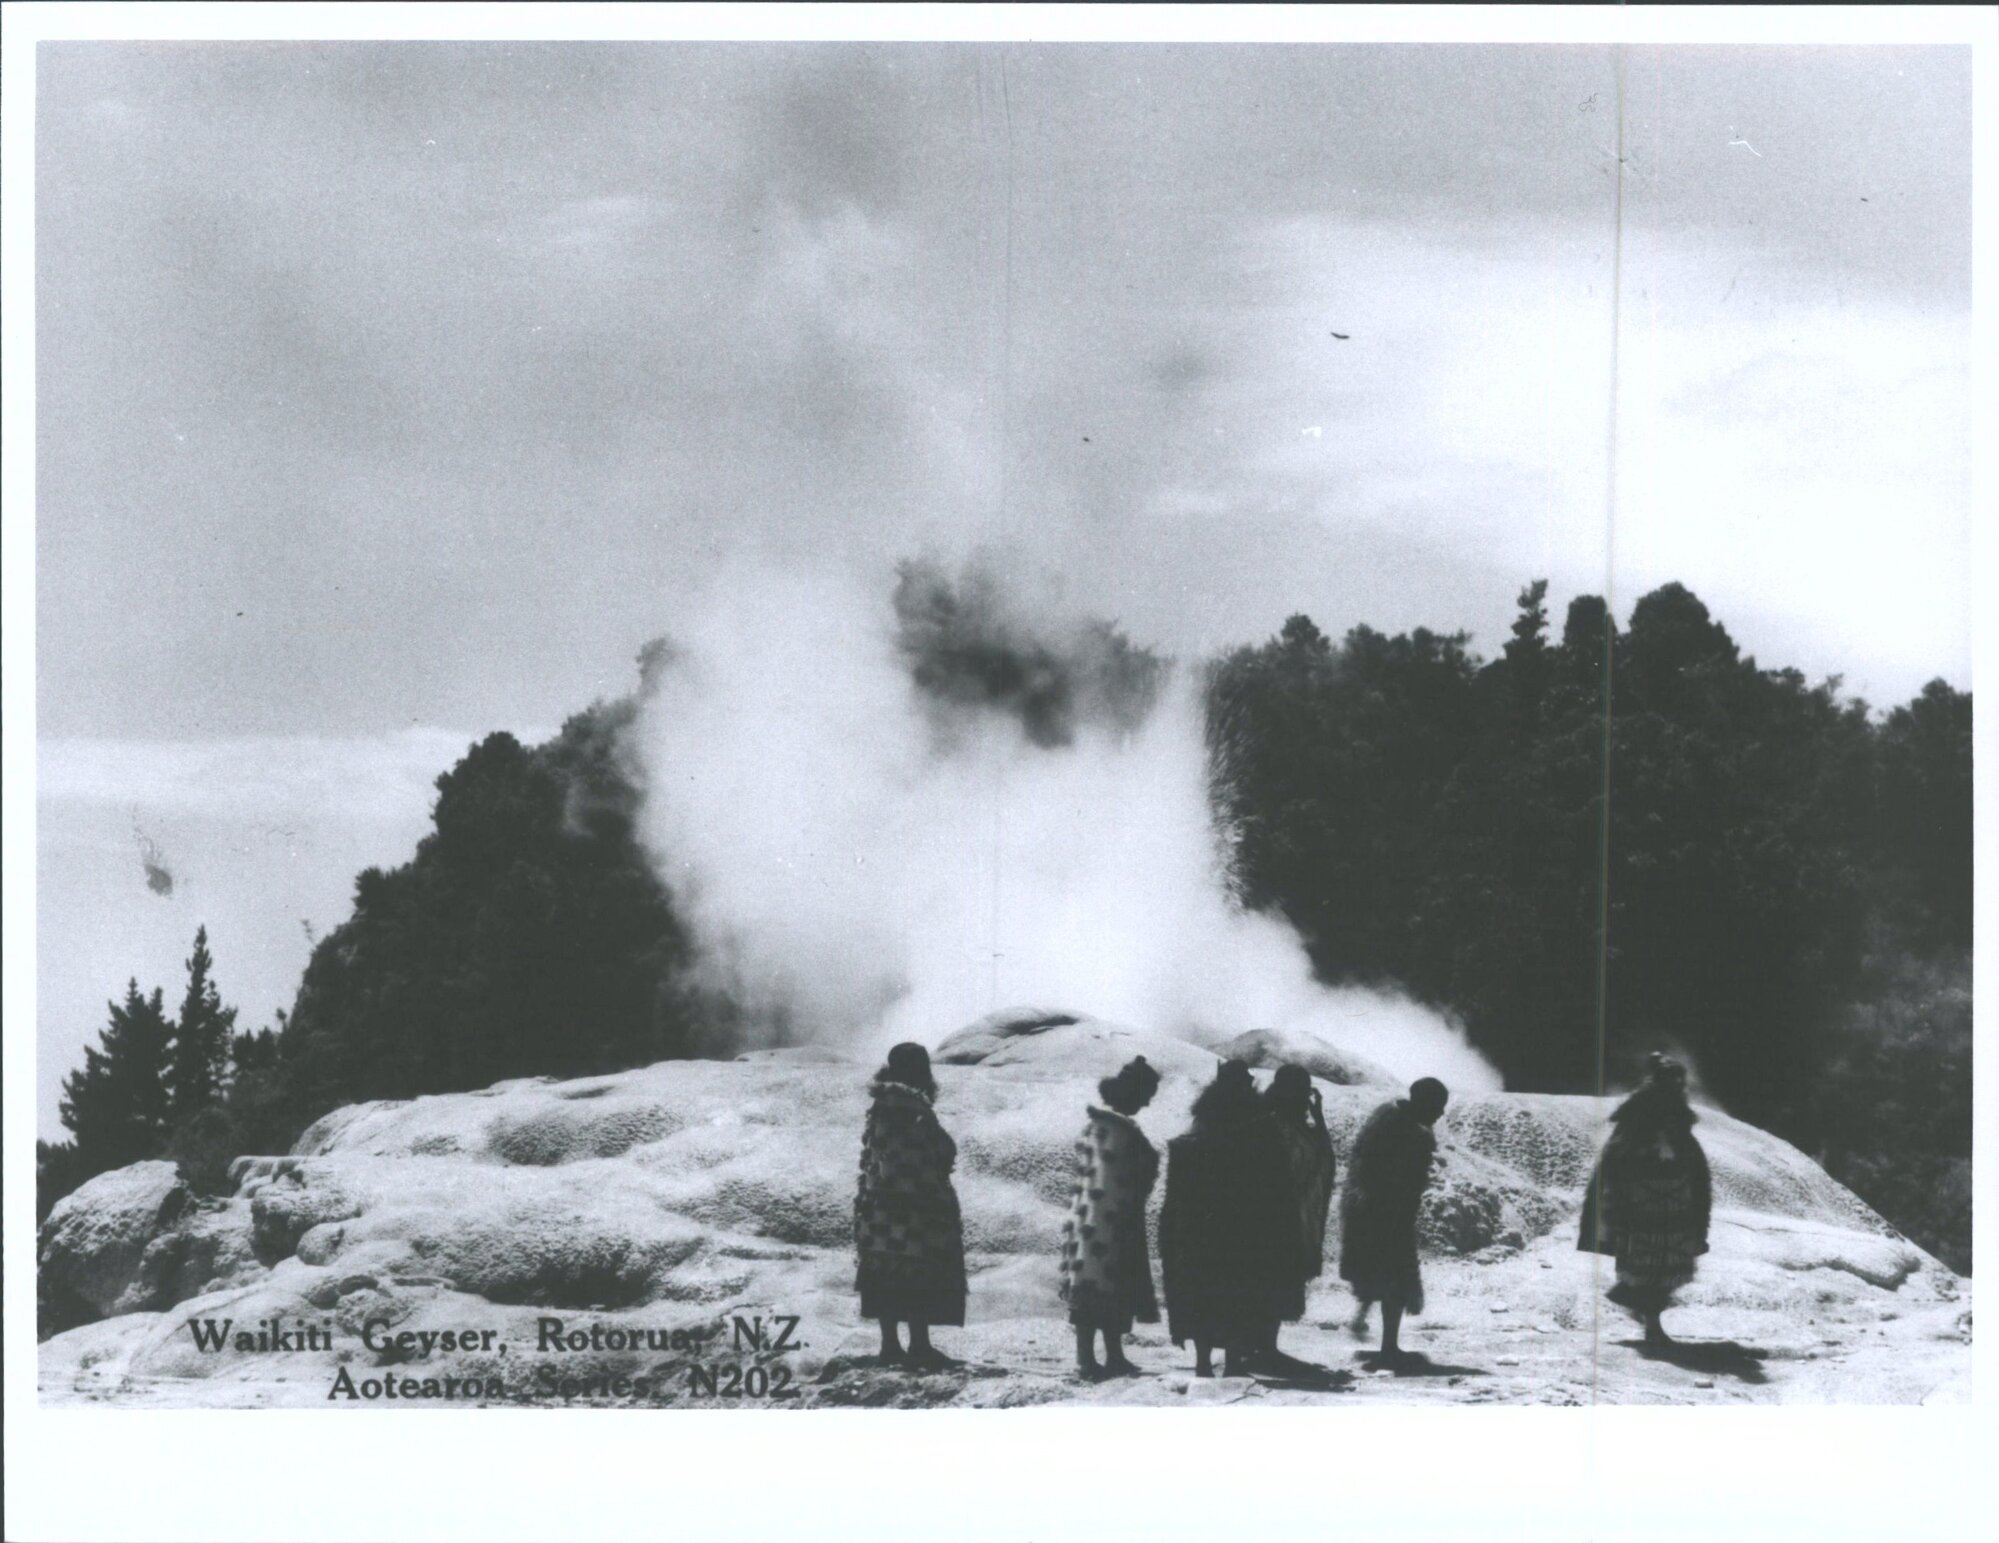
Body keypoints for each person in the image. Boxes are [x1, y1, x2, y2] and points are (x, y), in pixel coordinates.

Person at [1158, 1059, 1298, 1377]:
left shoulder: (1201, 1126)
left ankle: (1203, 1363)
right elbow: (1275, 1181)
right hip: (1243, 1228)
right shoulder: (1260, 1127)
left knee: (1203, 1292)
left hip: (1201, 1229)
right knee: (1240, 1293)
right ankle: (1233, 1362)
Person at [1577, 1053, 1712, 1346]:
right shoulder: (1638, 1121)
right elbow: (1618, 1162)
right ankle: (1651, 1322)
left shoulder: (1676, 1120)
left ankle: (1647, 1315)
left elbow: (1693, 1168)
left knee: (1664, 1269)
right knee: (1649, 1267)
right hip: (1643, 1208)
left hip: (1673, 1209)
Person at [854, 1042, 967, 1369]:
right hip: (914, 1206)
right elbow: (930, 1153)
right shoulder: (911, 1108)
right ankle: (919, 1344)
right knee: (917, 1270)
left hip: (878, 1209)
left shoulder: (881, 1104)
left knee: (885, 1272)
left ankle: (890, 1345)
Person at [1058, 1056, 1164, 1380]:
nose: (1146, 1103)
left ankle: (1108, 1356)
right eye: (1146, 1095)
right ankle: (1088, 1361)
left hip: (1090, 1218)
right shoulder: (1119, 1130)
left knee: (1100, 1285)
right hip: (1112, 1220)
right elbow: (1128, 1175)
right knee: (1101, 1287)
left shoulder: (1097, 1126)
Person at [1339, 1076, 1449, 1363]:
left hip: (1383, 1215)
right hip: (1383, 1216)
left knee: (1387, 1278)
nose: (1440, 1113)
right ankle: (1386, 1345)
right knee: (1395, 1281)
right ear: (1425, 1102)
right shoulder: (1402, 1130)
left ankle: (1378, 1334)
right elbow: (1376, 1173)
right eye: (1438, 1106)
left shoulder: (1392, 1123)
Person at [1260, 1063, 1337, 1374]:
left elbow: (1322, 1159)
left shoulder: (1293, 1126)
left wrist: (1318, 1119)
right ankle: (1262, 1349)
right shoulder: (1271, 1126)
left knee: (1277, 1283)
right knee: (1268, 1283)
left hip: (1288, 1218)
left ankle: (1265, 1347)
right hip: (1272, 1218)